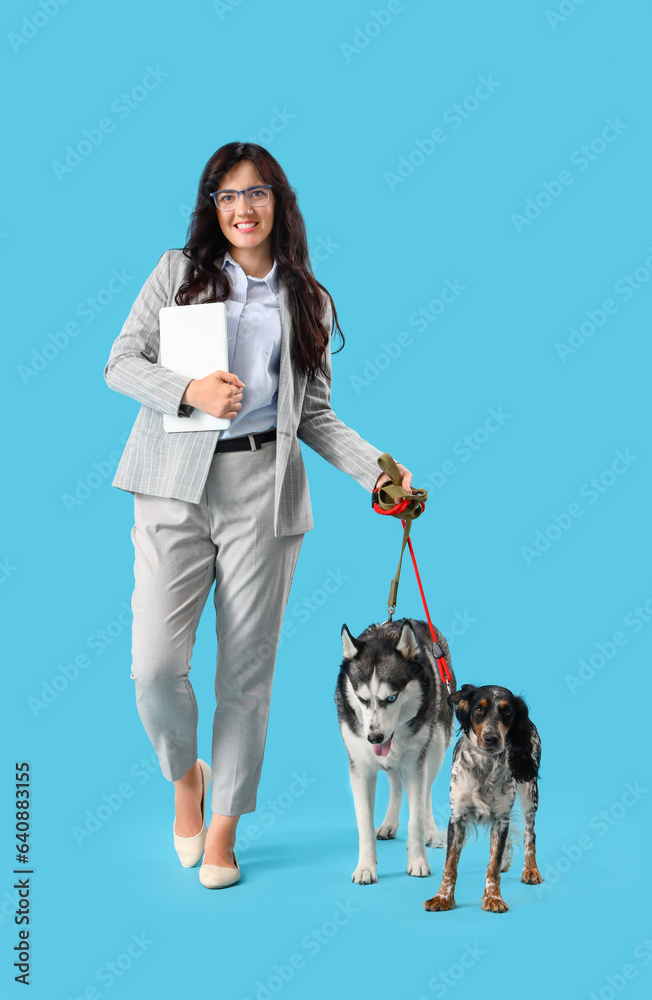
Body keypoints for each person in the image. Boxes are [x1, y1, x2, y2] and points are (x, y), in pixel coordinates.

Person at [104, 142, 413, 889]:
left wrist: (381, 471)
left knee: (246, 675)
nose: (242, 209)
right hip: (173, 483)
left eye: (256, 193)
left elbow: (315, 415)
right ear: (212, 207)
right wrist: (189, 392)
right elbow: (120, 362)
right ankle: (186, 776)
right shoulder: (178, 274)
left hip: (262, 492)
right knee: (154, 669)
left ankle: (223, 828)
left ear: (280, 201)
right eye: (226, 196)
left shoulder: (308, 298)